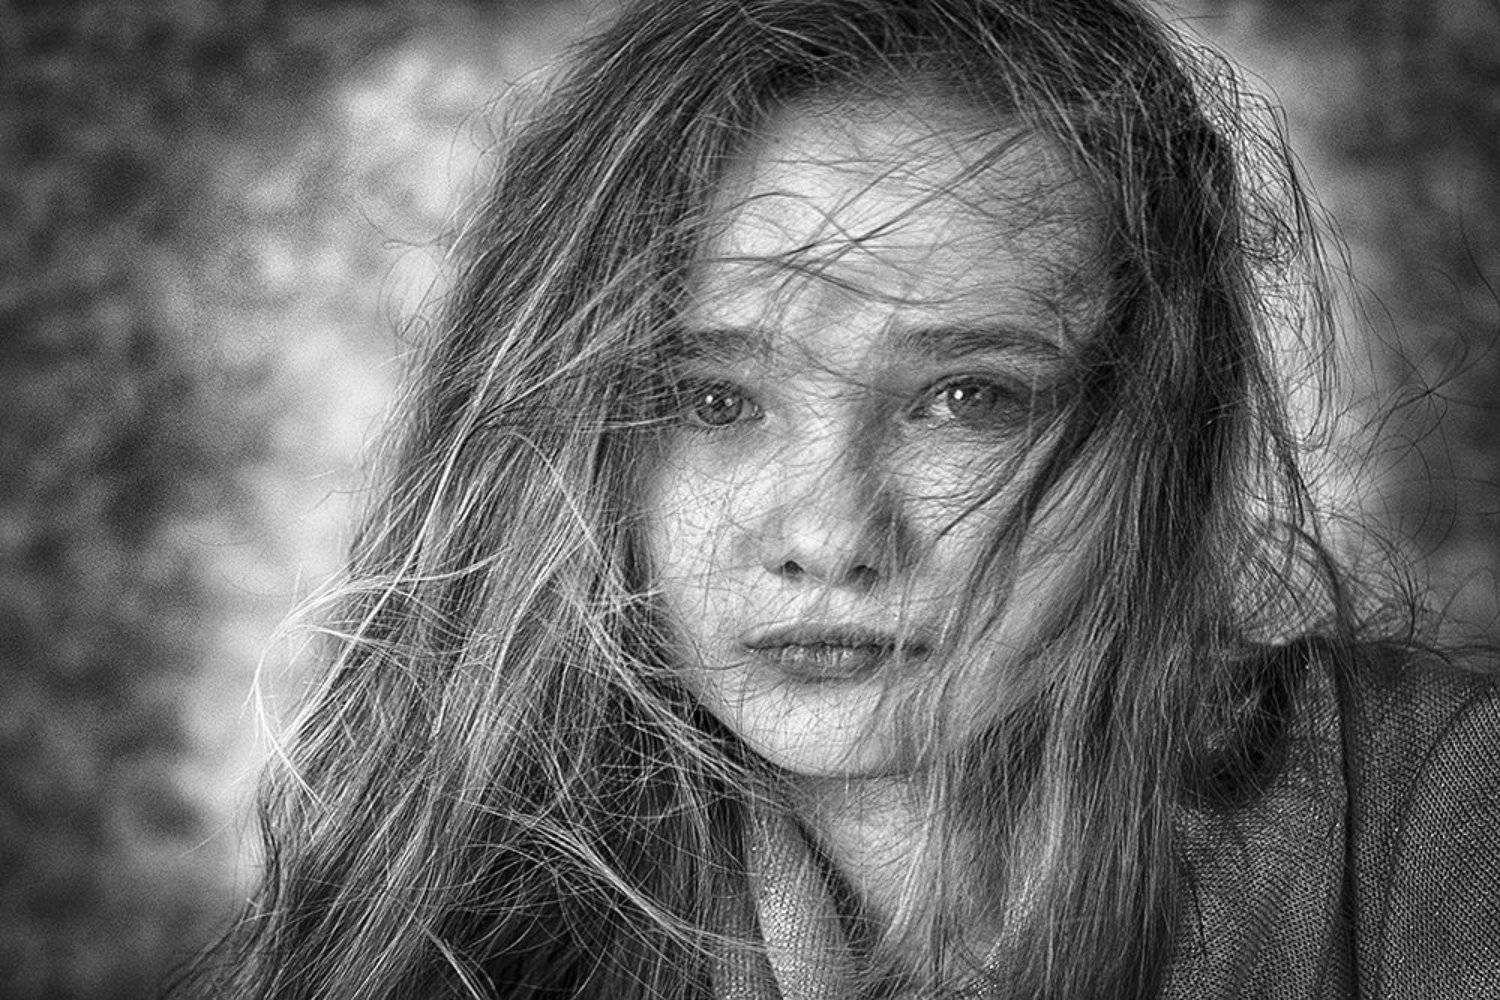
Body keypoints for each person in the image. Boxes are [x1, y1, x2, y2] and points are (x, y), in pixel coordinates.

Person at [178, 0, 1500, 997]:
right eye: (712, 400)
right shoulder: (455, 938)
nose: (826, 538)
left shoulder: (1437, 820)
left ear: (1165, 431)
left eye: (969, 398)